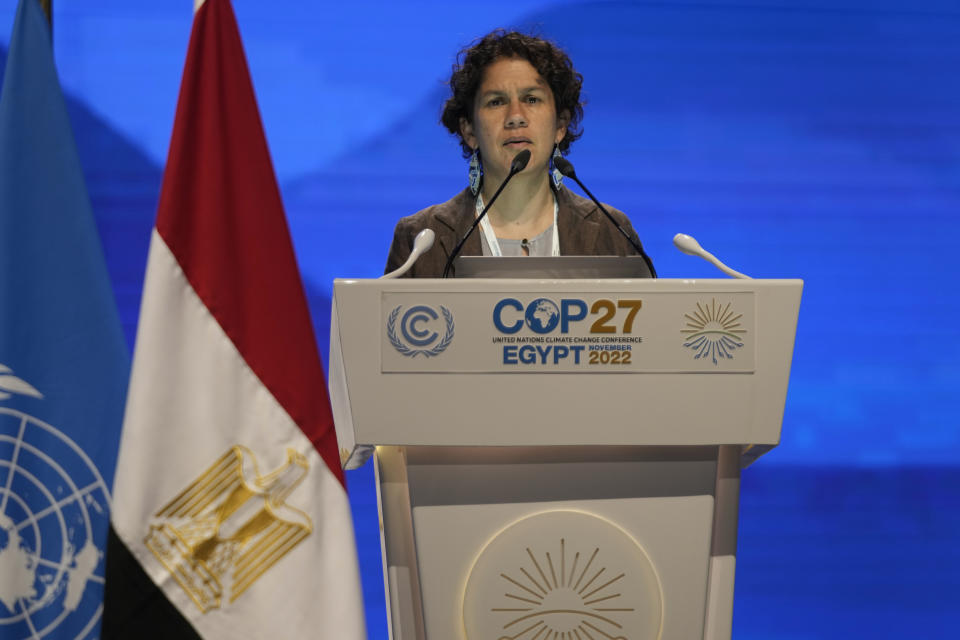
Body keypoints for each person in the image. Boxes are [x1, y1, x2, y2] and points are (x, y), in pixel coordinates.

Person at [385, 30, 652, 277]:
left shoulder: (612, 231)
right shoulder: (421, 238)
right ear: (470, 131)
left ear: (560, 125)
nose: (515, 117)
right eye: (496, 102)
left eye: (531, 99)